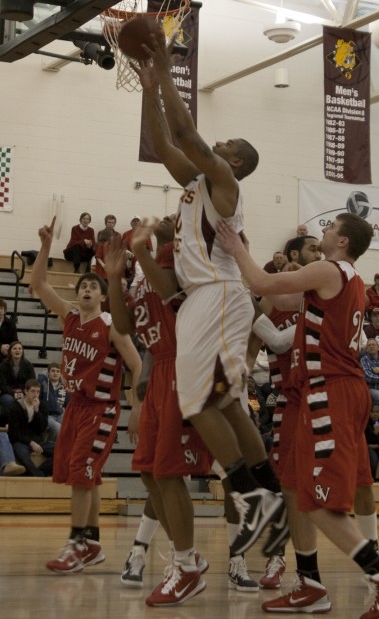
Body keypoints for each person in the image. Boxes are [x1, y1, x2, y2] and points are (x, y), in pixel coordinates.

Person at [216, 212, 379, 618]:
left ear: (343, 241)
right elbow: (281, 299)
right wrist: (247, 257)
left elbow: (262, 284)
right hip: (320, 392)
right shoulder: (341, 279)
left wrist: (234, 247)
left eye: (330, 228)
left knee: (320, 500)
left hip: (332, 391)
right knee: (293, 486)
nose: (322, 231)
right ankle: (309, 583)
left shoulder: (330, 269)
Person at [134, 31, 285, 560]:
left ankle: (256, 498)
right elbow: (164, 142)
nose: (219, 145)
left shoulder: (225, 182)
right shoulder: (196, 183)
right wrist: (149, 89)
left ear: (236, 163)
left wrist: (164, 68)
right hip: (207, 298)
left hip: (218, 295)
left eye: (228, 146)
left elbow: (184, 130)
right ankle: (269, 494)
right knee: (222, 401)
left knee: (199, 401)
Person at [106, 218, 213, 605]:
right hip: (161, 372)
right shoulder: (143, 272)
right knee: (150, 473)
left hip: (184, 366)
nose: (167, 216)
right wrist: (115, 278)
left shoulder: (175, 253)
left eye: (176, 215)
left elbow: (169, 290)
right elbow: (122, 325)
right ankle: (190, 558)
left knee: (169, 473)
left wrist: (139, 251)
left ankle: (185, 566)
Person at [30, 216, 142, 575]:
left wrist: (136, 407)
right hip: (75, 406)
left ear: (103, 295)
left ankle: (74, 544)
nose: (86, 291)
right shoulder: (70, 316)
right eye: (82, 287)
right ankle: (92, 544)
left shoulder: (111, 328)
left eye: (93, 287)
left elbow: (139, 366)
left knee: (81, 472)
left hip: (102, 407)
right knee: (84, 474)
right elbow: (38, 284)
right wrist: (46, 245)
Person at [7, 378, 55, 477]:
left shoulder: (42, 406)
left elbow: (42, 428)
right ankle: (39, 477)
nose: (35, 394)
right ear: (25, 391)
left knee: (62, 450)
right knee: (23, 456)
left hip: (39, 441)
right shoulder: (15, 407)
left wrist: (37, 411)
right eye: (32, 391)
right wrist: (30, 442)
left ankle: (40, 472)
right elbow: (14, 433)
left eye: (38, 391)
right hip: (21, 442)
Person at [0, 341, 36, 426]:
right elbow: (2, 384)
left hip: (25, 393)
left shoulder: (28, 365)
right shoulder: (3, 365)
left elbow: (31, 382)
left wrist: (23, 393)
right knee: (8, 400)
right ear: (10, 351)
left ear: (22, 351)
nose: (17, 350)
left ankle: (24, 425)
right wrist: (14, 393)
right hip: (7, 393)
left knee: (27, 401)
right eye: (15, 348)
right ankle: (10, 424)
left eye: (20, 348)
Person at [37, 362, 70, 442]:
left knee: (71, 426)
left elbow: (68, 404)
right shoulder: (42, 382)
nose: (55, 373)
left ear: (61, 374)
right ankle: (50, 446)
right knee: (57, 427)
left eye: (58, 371)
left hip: (59, 414)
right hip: (46, 415)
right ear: (48, 373)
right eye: (53, 371)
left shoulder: (64, 386)